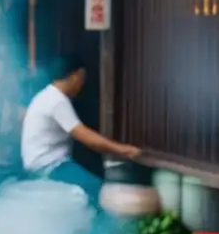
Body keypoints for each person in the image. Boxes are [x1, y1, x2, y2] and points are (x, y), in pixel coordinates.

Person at [21, 54, 140, 202]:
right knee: (95, 189)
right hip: (48, 166)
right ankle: (94, 225)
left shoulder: (46, 95)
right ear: (75, 76)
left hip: (39, 164)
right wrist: (123, 149)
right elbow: (87, 138)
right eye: (82, 78)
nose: (82, 84)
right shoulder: (57, 100)